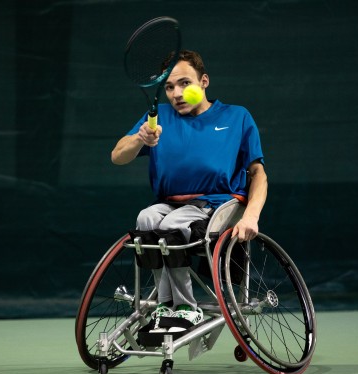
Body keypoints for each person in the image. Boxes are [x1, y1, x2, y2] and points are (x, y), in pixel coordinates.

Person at [111, 50, 268, 333]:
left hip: (218, 206)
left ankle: (186, 308)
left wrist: (251, 217)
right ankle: (165, 304)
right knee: (146, 219)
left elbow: (258, 174)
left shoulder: (237, 117)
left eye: (185, 83)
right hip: (171, 203)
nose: (177, 94)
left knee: (171, 225)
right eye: (169, 87)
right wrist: (139, 138)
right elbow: (118, 155)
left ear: (204, 81)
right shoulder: (159, 118)